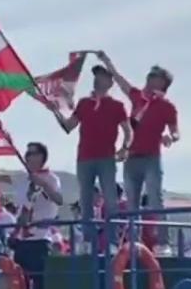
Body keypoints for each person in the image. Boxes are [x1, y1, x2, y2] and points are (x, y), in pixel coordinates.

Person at [53, 64, 132, 248]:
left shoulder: (117, 106)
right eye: (96, 75)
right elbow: (69, 126)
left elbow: (128, 130)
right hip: (85, 158)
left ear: (110, 82)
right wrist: (55, 110)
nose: (98, 79)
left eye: (103, 76)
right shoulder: (84, 103)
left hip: (106, 158)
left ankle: (111, 241)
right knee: (86, 200)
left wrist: (125, 147)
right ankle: (88, 240)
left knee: (110, 200)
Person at [95, 51, 178, 218]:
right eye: (150, 74)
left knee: (155, 199)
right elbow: (118, 79)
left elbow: (175, 130)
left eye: (154, 75)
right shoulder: (137, 97)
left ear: (162, 82)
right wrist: (106, 61)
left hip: (151, 158)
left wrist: (171, 137)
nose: (149, 77)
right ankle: (134, 241)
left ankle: (163, 242)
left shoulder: (167, 106)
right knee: (132, 204)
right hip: (131, 157)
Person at [10, 142, 63, 289]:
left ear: (42, 156)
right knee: (21, 287)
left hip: (41, 239)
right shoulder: (24, 182)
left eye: (32, 153)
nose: (27, 156)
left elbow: (58, 199)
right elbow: (22, 210)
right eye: (27, 153)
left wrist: (42, 184)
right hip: (23, 240)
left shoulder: (52, 178)